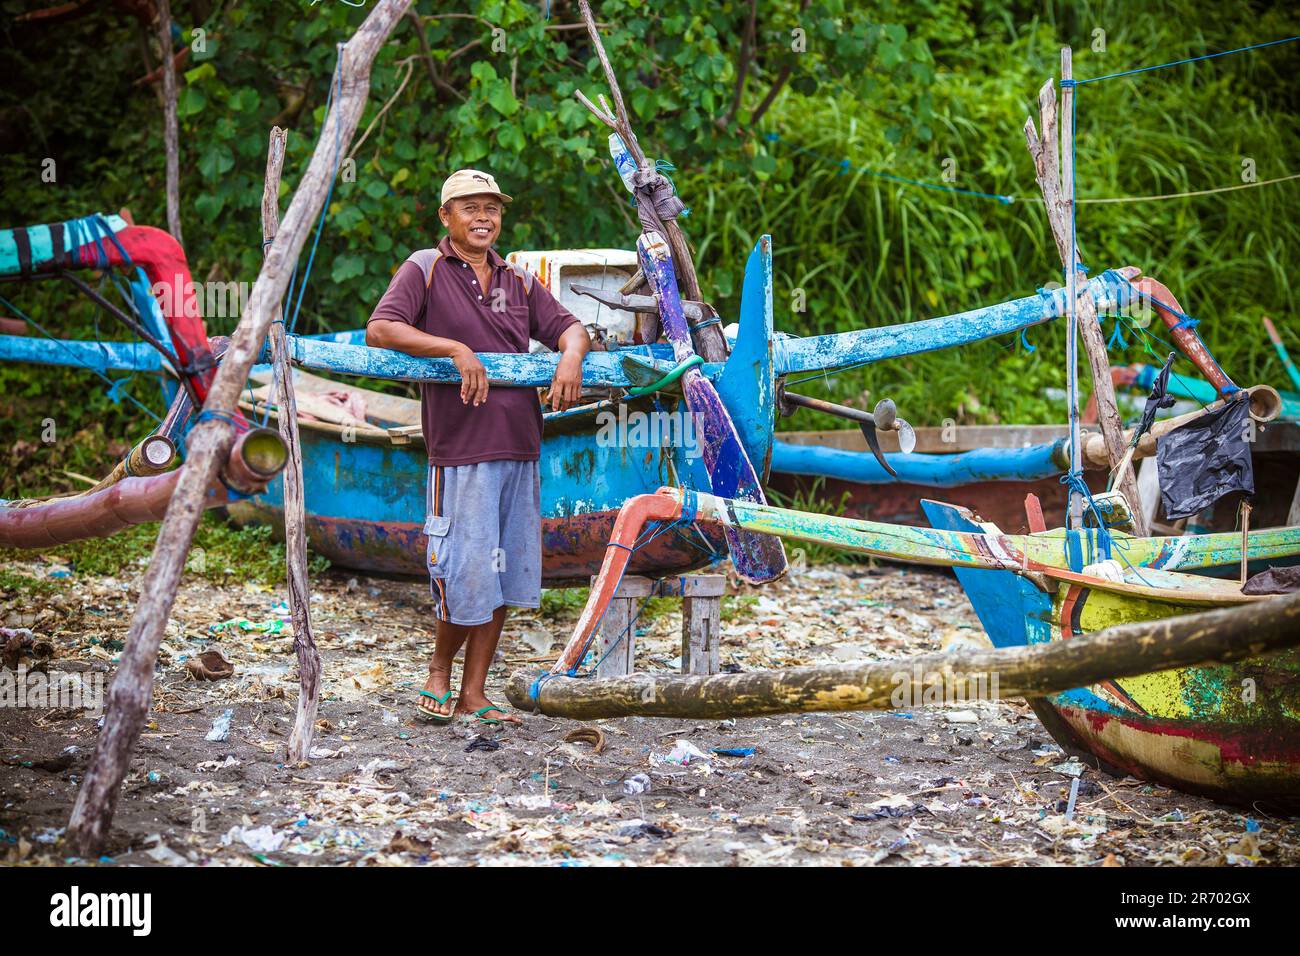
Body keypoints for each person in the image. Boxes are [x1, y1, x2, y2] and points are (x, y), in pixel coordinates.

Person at [365, 169, 591, 725]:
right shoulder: (425, 268)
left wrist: (570, 357)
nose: (483, 217)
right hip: (460, 450)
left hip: (520, 447)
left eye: (491, 207)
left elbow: (572, 327)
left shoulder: (516, 279)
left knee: (504, 575)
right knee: (463, 569)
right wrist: (455, 349)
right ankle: (438, 672)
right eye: (470, 208)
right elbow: (381, 329)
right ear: (447, 217)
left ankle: (475, 692)